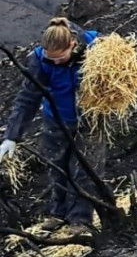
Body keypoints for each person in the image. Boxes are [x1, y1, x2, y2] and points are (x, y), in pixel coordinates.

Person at [1, 18, 104, 238]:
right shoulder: (40, 59)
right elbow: (28, 97)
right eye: (51, 58)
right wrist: (12, 136)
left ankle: (80, 220)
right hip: (56, 119)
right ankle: (59, 213)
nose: (55, 62)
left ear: (72, 45)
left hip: (90, 120)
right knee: (57, 167)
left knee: (85, 170)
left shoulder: (96, 49)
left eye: (60, 58)